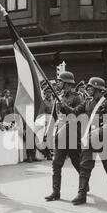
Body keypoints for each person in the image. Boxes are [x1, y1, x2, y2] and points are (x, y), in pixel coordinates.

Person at [69, 77, 107, 205]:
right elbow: (75, 112)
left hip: (102, 138)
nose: (88, 89)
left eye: (91, 87)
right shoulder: (87, 102)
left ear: (98, 90)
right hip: (90, 137)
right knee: (84, 165)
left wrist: (98, 132)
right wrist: (64, 107)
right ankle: (81, 193)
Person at [44, 71, 83, 202]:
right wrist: (48, 132)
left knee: (77, 162)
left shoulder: (77, 97)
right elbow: (54, 116)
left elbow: (79, 115)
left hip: (72, 135)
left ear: (67, 83)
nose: (58, 83)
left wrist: (65, 106)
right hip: (60, 134)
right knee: (56, 164)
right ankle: (56, 192)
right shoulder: (58, 96)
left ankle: (84, 187)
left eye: (60, 81)